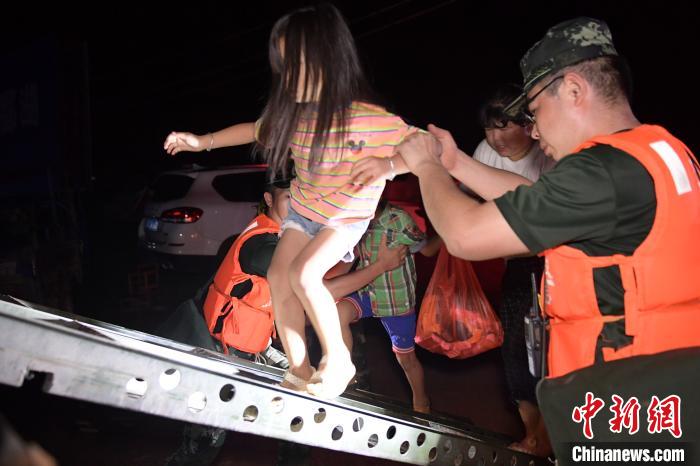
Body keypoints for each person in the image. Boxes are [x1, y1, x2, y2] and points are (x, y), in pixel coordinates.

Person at [397, 16, 700, 455]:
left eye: (535, 111)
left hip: (623, 401)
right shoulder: (659, 150)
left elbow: (464, 236)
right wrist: (456, 164)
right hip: (664, 383)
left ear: (574, 91)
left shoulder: (599, 171)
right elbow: (539, 198)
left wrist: (425, 167)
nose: (534, 131)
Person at [164, 3, 416, 399]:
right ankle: (298, 367)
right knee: (280, 277)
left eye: (295, 62)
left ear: (328, 59)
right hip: (303, 210)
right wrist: (202, 141)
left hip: (344, 217)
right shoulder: (295, 116)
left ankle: (339, 359)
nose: (287, 74)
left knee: (303, 275)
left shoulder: (368, 119)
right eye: (282, 64)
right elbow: (252, 129)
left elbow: (423, 147)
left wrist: (387, 164)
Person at [161, 177, 407, 466]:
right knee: (205, 441)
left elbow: (326, 271)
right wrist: (381, 267)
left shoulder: (285, 237)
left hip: (255, 345)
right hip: (222, 350)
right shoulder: (262, 245)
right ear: (268, 199)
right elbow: (322, 290)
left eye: (303, 196)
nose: (298, 204)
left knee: (301, 404)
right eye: (290, 197)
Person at [468, 84, 554, 455]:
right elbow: (468, 201)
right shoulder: (484, 152)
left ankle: (548, 434)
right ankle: (532, 432)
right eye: (490, 128)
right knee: (517, 348)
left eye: (506, 126)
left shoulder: (549, 151)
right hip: (514, 261)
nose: (496, 138)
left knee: (550, 349)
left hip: (553, 260)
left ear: (529, 124)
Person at [336, 198, 442, 413]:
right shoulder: (355, 221)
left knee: (406, 359)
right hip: (369, 293)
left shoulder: (398, 219)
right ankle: (344, 370)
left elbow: (427, 250)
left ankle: (421, 402)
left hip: (396, 302)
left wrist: (448, 233)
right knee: (336, 313)